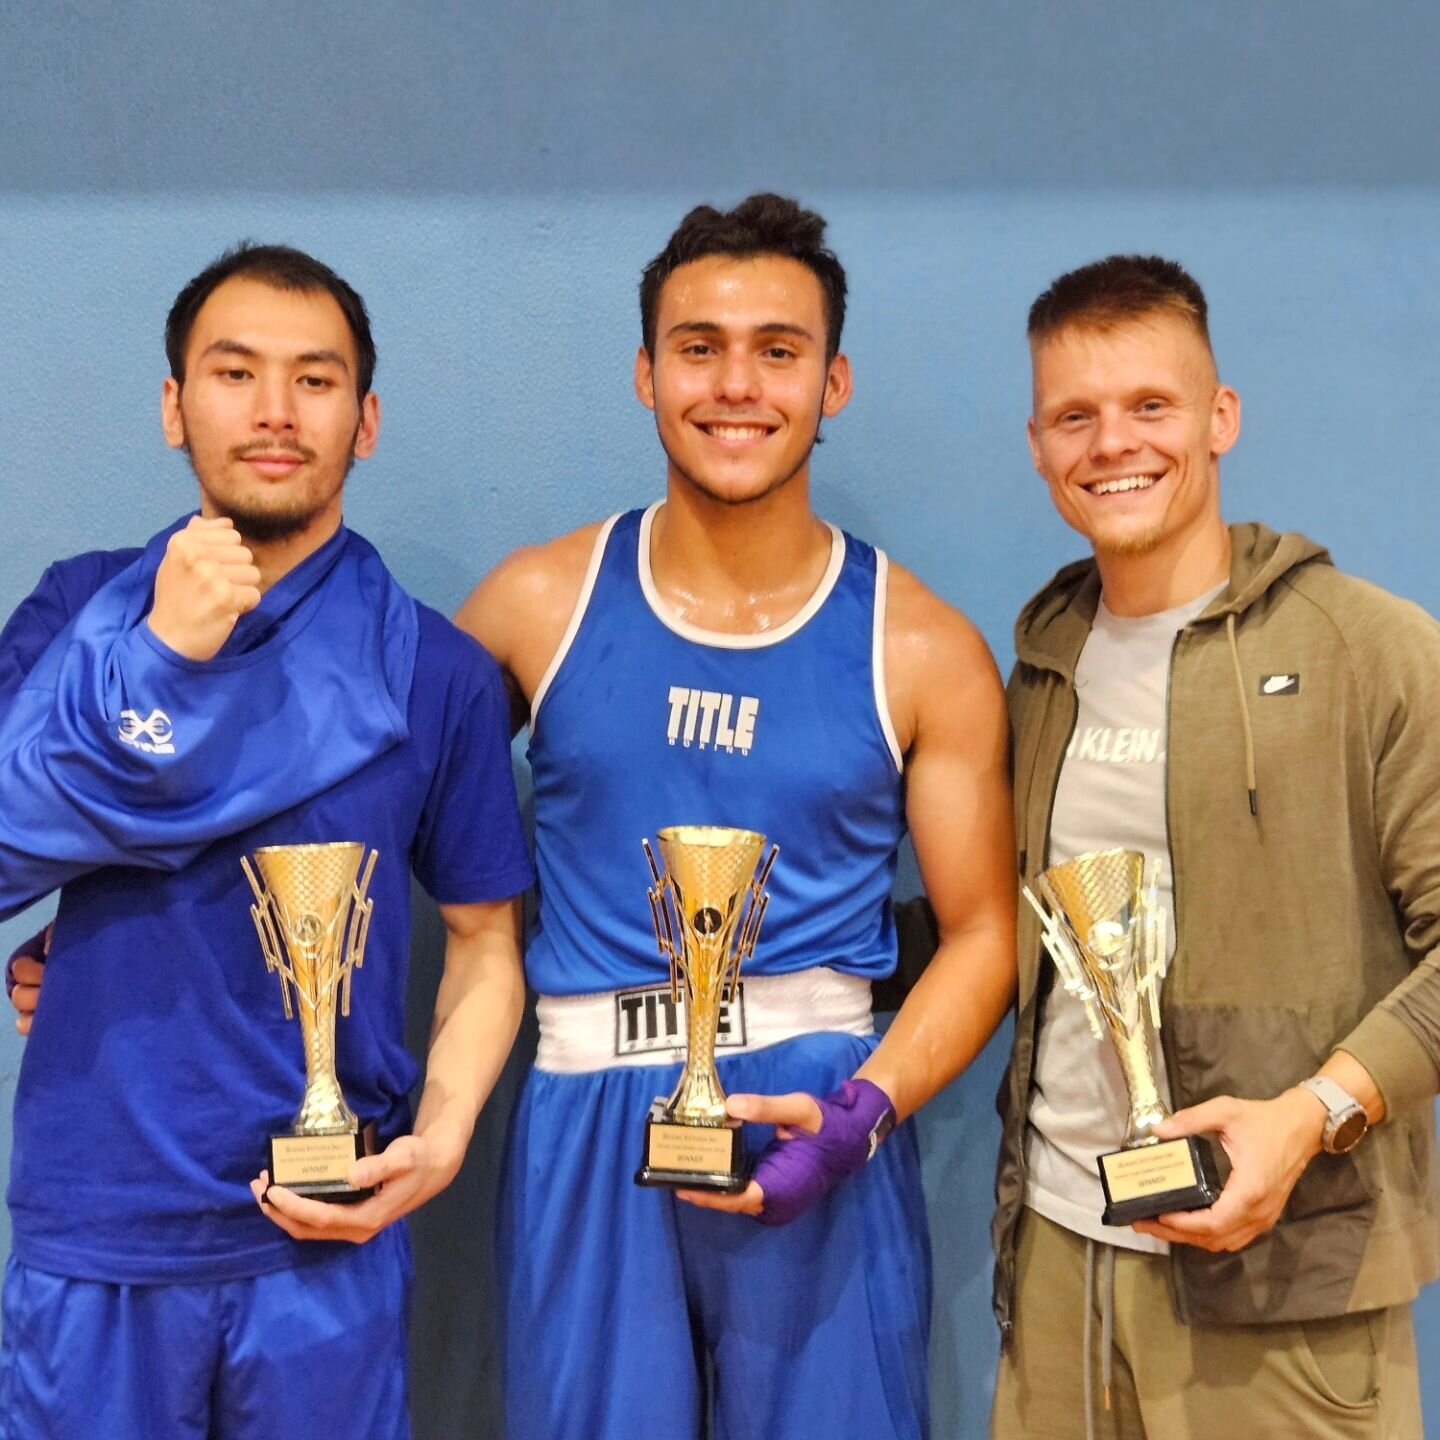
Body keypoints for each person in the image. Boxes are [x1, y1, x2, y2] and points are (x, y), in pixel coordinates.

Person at [455, 194, 1017, 1440]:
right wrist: (135, 940)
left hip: (814, 1112)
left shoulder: (918, 645)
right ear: (647, 374)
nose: (737, 385)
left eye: (779, 348)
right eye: (699, 347)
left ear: (835, 381)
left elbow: (986, 935)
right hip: (588, 1102)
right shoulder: (537, 603)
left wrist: (863, 1116)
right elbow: (359, 818)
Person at [0, 244, 533, 1440]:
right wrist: (156, 661)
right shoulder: (79, 613)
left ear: (368, 418)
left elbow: (488, 947)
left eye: (317, 378)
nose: (277, 412)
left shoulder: (434, 668)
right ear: (174, 407)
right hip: (100, 1232)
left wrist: (439, 1139)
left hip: (324, 1240)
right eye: (235, 373)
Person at [989, 254, 1438, 1438]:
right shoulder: (1042, 667)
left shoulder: (1372, 651)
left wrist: (1310, 1116)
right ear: (1037, 446)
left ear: (1219, 418)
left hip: (1289, 1279)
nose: (1112, 444)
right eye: (1074, 416)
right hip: (1058, 1266)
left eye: (1151, 407)